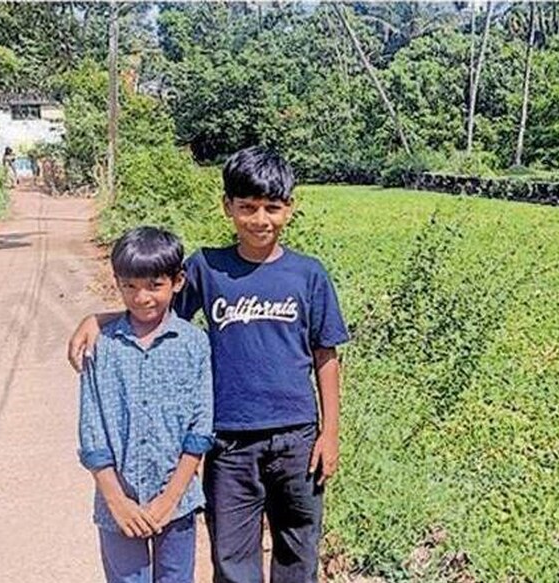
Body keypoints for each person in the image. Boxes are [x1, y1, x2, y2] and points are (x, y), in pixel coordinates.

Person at [69, 146, 349, 583]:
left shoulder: (308, 275)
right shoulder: (206, 268)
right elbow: (153, 308)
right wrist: (99, 319)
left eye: (272, 208)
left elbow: (325, 356)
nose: (260, 219)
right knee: (233, 559)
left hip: (297, 438)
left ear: (289, 209)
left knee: (298, 551)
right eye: (247, 207)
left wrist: (329, 433)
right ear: (228, 208)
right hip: (229, 444)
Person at [77, 226, 214, 583]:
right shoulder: (101, 346)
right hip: (117, 505)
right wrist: (117, 501)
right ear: (117, 282)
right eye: (130, 286)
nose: (142, 298)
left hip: (177, 501)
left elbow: (200, 430)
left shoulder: (194, 344)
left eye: (155, 285)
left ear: (178, 281)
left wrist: (170, 499)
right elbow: (92, 433)